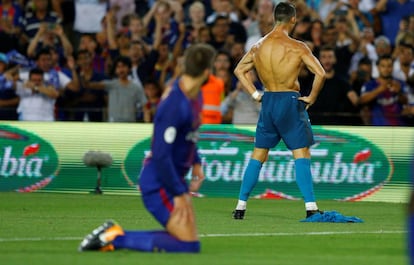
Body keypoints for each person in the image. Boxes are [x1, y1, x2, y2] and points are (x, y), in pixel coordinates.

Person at [78, 43, 215, 253]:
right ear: (207, 72)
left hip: (172, 180)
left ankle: (113, 236)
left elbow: (189, 135)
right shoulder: (175, 104)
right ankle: (113, 237)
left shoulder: (195, 95)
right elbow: (160, 154)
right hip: (159, 183)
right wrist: (179, 194)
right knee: (188, 245)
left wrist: (196, 162)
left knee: (189, 243)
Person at [231, 2, 326, 220]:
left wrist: (256, 95)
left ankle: (240, 206)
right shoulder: (298, 47)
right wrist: (311, 97)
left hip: (268, 101)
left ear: (275, 18)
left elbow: (239, 70)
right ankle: (311, 207)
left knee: (259, 154)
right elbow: (320, 73)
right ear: (293, 19)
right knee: (301, 153)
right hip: (289, 101)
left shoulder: (258, 46)